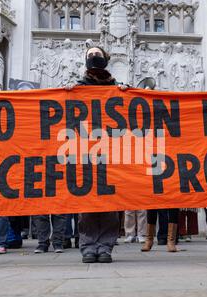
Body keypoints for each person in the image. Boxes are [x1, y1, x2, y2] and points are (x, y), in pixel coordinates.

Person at [65, 46, 127, 263]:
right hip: (85, 153)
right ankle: (89, 246)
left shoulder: (117, 87)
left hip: (109, 153)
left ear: (105, 59)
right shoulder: (77, 87)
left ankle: (106, 247)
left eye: (97, 55)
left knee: (110, 204)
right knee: (88, 203)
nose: (94, 57)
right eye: (90, 55)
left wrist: (126, 93)